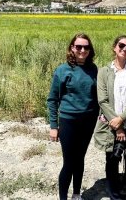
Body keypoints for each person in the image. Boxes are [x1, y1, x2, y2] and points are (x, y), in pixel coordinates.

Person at [94, 35, 126, 200]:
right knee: (112, 158)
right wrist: (118, 126)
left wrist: (122, 119)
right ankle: (115, 193)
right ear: (114, 47)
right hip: (111, 124)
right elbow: (102, 100)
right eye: (121, 45)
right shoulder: (104, 71)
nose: (125, 49)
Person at [47, 33, 98, 200]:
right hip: (69, 121)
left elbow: (97, 96)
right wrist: (54, 126)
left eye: (86, 47)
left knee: (80, 158)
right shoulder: (63, 70)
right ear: (72, 48)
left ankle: (76, 194)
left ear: (90, 50)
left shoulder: (93, 69)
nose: (82, 50)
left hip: (88, 121)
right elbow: (53, 99)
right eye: (78, 47)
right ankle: (63, 197)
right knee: (69, 162)